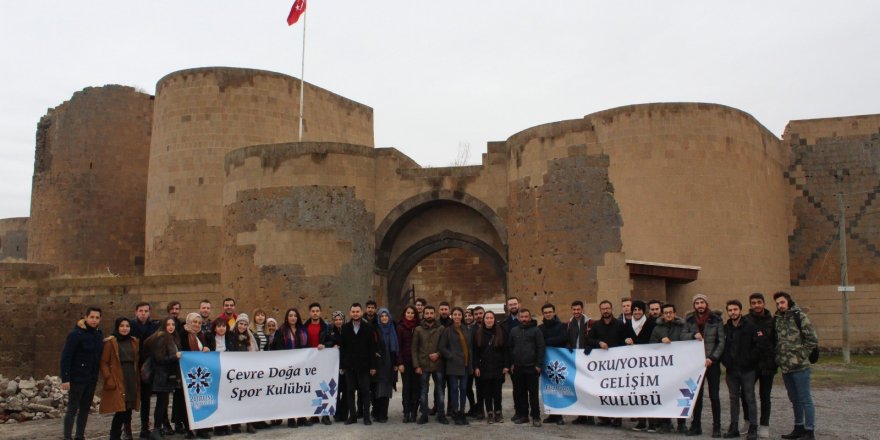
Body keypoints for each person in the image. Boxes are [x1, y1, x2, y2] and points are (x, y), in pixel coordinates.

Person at [773, 291, 818, 440]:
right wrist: (779, 358)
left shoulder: (800, 316)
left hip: (800, 367)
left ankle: (809, 430)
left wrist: (801, 356)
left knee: (805, 398)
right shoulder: (778, 318)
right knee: (794, 399)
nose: (780, 305)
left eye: (782, 302)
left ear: (788, 302)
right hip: (786, 367)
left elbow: (812, 339)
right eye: (778, 303)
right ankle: (798, 427)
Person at [60, 306, 104, 440]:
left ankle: (80, 435)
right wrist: (66, 378)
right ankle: (67, 436)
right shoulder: (76, 335)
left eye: (97, 318)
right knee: (72, 409)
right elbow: (66, 357)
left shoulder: (98, 334)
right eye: (92, 317)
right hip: (77, 377)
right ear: (85, 317)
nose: (94, 320)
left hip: (91, 378)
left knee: (85, 409)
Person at [686, 294, 725, 437]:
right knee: (697, 396)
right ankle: (696, 425)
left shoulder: (716, 319)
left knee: (714, 395)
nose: (700, 305)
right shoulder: (689, 320)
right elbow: (683, 335)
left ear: (706, 303)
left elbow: (721, 341)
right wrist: (692, 335)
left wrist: (713, 357)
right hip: (696, 363)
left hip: (711, 363)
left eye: (702, 302)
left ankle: (717, 426)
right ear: (694, 305)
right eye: (697, 303)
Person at [649, 303, 693, 434]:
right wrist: (660, 341)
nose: (668, 314)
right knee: (665, 394)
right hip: (664, 368)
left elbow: (687, 342)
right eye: (666, 312)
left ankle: (681, 423)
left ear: (674, 313)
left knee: (681, 394)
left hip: (680, 367)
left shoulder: (683, 326)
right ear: (663, 314)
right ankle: (665, 423)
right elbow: (651, 345)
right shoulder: (657, 328)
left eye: (670, 312)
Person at [721, 300, 759, 440]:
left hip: (747, 370)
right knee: (733, 398)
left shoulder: (750, 326)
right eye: (730, 310)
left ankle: (753, 427)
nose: (733, 312)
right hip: (731, 370)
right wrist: (726, 361)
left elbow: (758, 346)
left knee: (750, 398)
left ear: (740, 310)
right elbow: (723, 346)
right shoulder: (726, 328)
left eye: (735, 309)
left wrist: (750, 360)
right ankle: (734, 426)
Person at [587, 300, 628, 428]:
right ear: (600, 310)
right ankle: (604, 417)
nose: (605, 311)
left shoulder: (620, 324)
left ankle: (617, 418)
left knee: (617, 392)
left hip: (617, 364)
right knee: (602, 391)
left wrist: (626, 341)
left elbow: (626, 339)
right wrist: (599, 343)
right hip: (602, 365)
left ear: (611, 309)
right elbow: (589, 340)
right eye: (603, 309)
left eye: (607, 308)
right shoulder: (596, 326)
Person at [100, 317, 141, 440]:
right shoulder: (111, 342)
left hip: (131, 377)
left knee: (128, 407)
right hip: (118, 376)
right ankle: (114, 435)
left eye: (127, 326)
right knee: (120, 409)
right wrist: (108, 377)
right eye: (122, 326)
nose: (125, 328)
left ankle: (127, 432)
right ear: (117, 327)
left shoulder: (134, 341)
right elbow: (104, 362)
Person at [269, 308, 310, 428]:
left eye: (295, 315)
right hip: (287, 367)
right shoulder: (281, 331)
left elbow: (307, 347)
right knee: (290, 392)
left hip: (301, 366)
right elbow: (277, 349)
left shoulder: (303, 330)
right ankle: (291, 418)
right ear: (287, 318)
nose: (293, 317)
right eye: (290, 315)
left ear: (298, 318)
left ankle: (302, 417)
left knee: (301, 391)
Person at [340, 303, 378, 426]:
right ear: (350, 313)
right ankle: (353, 416)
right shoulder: (345, 328)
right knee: (350, 390)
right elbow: (343, 348)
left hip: (364, 365)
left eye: (357, 311)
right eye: (353, 311)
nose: (355, 313)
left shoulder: (368, 328)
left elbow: (372, 348)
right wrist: (342, 365)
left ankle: (366, 417)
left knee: (365, 391)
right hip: (349, 365)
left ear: (361, 313)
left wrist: (373, 366)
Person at [143, 317, 182, 440]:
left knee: (163, 403)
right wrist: (175, 357)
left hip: (166, 375)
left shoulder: (170, 337)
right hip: (161, 376)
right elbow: (159, 359)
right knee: (161, 404)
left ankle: (158, 428)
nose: (171, 326)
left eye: (173, 324)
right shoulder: (162, 337)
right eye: (168, 324)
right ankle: (156, 429)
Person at [746, 293, 776, 439]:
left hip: (768, 364)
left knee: (765, 396)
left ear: (764, 303)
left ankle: (764, 424)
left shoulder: (772, 320)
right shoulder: (746, 320)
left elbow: (775, 341)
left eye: (759, 302)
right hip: (751, 364)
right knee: (746, 394)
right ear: (750, 305)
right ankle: (749, 422)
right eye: (753, 303)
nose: (756, 305)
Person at [177, 313, 212, 439]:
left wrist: (207, 350)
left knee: (201, 401)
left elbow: (206, 351)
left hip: (200, 374)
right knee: (188, 402)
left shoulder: (202, 336)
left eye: (199, 322)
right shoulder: (182, 335)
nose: (197, 324)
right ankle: (189, 429)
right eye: (194, 322)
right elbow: (181, 351)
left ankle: (202, 428)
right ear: (189, 322)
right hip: (187, 374)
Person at [508, 308, 544, 427]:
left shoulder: (536, 331)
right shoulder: (513, 331)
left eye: (526, 317)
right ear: (518, 318)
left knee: (533, 394)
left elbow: (540, 348)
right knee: (521, 393)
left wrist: (538, 364)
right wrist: (511, 363)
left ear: (529, 317)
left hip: (532, 368)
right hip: (518, 368)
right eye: (522, 317)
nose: (524, 319)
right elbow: (510, 348)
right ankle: (524, 416)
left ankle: (536, 417)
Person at [412, 305, 448, 425]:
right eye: (426, 313)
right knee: (423, 390)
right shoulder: (418, 329)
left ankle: (441, 413)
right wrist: (416, 365)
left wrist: (438, 354)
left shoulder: (441, 328)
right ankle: (424, 414)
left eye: (431, 313)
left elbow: (445, 346)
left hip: (438, 364)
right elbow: (414, 349)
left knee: (440, 390)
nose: (429, 315)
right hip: (423, 364)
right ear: (423, 315)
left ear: (434, 314)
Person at [626, 300, 657, 432]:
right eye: (635, 310)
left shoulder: (650, 323)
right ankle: (641, 421)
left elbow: (652, 339)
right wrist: (625, 340)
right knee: (638, 392)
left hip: (648, 363)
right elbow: (623, 337)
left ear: (643, 311)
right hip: (634, 364)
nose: (637, 312)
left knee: (650, 392)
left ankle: (653, 422)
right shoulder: (627, 324)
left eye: (639, 310)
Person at [473, 310, 508, 425]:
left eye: (491, 318)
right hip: (484, 367)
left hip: (498, 366)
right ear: (484, 320)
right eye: (487, 318)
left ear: (494, 319)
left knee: (497, 392)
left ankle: (498, 412)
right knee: (487, 392)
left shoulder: (500, 332)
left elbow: (505, 351)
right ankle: (490, 413)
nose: (489, 320)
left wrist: (506, 365)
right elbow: (475, 352)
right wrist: (476, 367)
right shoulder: (479, 333)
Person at [439, 307, 472, 425]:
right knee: (453, 389)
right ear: (452, 316)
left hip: (465, 364)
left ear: (462, 316)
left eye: (459, 314)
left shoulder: (466, 329)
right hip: (453, 364)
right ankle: (455, 412)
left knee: (463, 389)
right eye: (455, 314)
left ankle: (462, 412)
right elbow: (442, 347)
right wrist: (451, 355)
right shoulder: (447, 330)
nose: (457, 316)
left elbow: (470, 348)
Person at [130, 302, 159, 439]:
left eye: (146, 311)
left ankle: (144, 427)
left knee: (146, 399)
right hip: (132, 366)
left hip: (148, 365)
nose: (143, 313)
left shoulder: (153, 326)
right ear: (136, 312)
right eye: (141, 311)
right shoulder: (130, 326)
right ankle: (127, 429)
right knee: (129, 400)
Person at [228, 314, 259, 434]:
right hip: (234, 372)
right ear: (237, 324)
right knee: (236, 397)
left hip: (247, 372)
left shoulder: (249, 337)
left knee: (248, 397)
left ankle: (249, 423)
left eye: (245, 324)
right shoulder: (230, 336)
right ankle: (235, 424)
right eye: (241, 323)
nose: (243, 326)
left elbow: (254, 352)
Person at [539, 303, 568, 425]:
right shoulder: (540, 328)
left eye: (550, 312)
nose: (548, 314)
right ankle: (552, 414)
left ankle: (559, 415)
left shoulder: (561, 326)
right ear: (543, 314)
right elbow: (539, 342)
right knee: (548, 389)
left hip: (558, 364)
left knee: (559, 389)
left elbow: (563, 338)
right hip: (546, 363)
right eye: (545, 312)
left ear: (554, 312)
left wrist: (547, 342)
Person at [306, 303, 334, 425]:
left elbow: (331, 340)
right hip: (310, 361)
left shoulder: (327, 327)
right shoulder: (304, 327)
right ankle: (315, 414)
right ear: (309, 312)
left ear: (320, 312)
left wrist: (325, 345)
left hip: (323, 360)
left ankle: (325, 414)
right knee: (312, 387)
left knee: (324, 387)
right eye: (313, 311)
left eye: (317, 310)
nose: (315, 313)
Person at [566, 300, 593, 426]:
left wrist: (590, 346)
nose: (576, 312)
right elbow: (566, 337)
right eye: (574, 310)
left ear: (582, 309)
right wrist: (568, 345)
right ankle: (581, 415)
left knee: (588, 387)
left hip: (587, 358)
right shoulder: (569, 324)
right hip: (574, 358)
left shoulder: (590, 323)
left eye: (578, 309)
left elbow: (593, 337)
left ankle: (591, 415)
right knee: (578, 387)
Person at [396, 305, 421, 423]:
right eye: (408, 312)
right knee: (406, 387)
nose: (410, 315)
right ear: (404, 314)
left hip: (416, 362)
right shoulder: (400, 327)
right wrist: (400, 362)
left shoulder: (418, 326)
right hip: (405, 362)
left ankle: (414, 412)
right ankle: (406, 412)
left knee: (416, 387)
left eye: (412, 313)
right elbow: (398, 346)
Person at [374, 308, 398, 423]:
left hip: (390, 364)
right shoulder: (375, 330)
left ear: (389, 317)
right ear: (379, 318)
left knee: (387, 389)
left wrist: (396, 363)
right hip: (379, 364)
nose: (384, 318)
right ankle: (377, 413)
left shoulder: (393, 329)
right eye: (382, 316)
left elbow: (397, 348)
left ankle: (383, 414)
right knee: (378, 389)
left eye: (386, 316)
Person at [329, 311, 348, 423]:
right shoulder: (330, 332)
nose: (338, 321)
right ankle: (337, 413)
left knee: (346, 391)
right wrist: (332, 345)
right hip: (334, 367)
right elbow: (326, 343)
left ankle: (345, 413)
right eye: (336, 319)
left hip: (346, 365)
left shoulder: (347, 331)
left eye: (340, 319)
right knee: (336, 391)